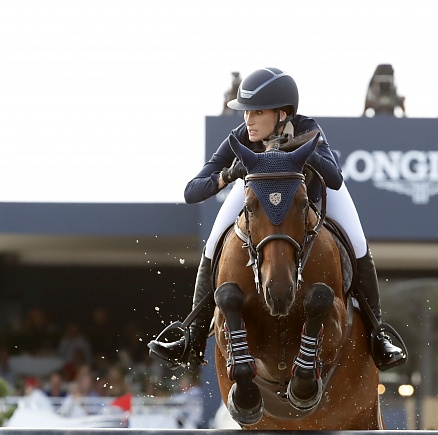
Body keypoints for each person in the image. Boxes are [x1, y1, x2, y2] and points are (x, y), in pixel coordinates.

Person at [148, 67, 405, 373]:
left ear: (282, 114)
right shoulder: (241, 138)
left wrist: (301, 150)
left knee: (357, 241)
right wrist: (229, 175)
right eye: (246, 112)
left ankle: (377, 334)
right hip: (258, 201)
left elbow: (334, 179)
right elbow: (192, 191)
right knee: (214, 242)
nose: (248, 120)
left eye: (257, 112)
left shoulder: (307, 128)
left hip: (308, 197)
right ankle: (192, 334)